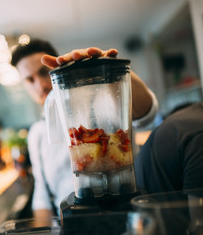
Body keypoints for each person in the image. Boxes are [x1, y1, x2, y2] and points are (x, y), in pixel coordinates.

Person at [11, 39, 159, 219]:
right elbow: (42, 195)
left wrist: (111, 70)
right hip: (71, 223)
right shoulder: (36, 134)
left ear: (56, 67)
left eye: (43, 73)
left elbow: (147, 115)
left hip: (123, 215)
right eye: (29, 79)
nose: (40, 85)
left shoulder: (101, 102)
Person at [134, 102, 203, 194]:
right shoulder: (198, 131)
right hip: (148, 204)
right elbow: (197, 206)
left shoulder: (190, 119)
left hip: (140, 201)